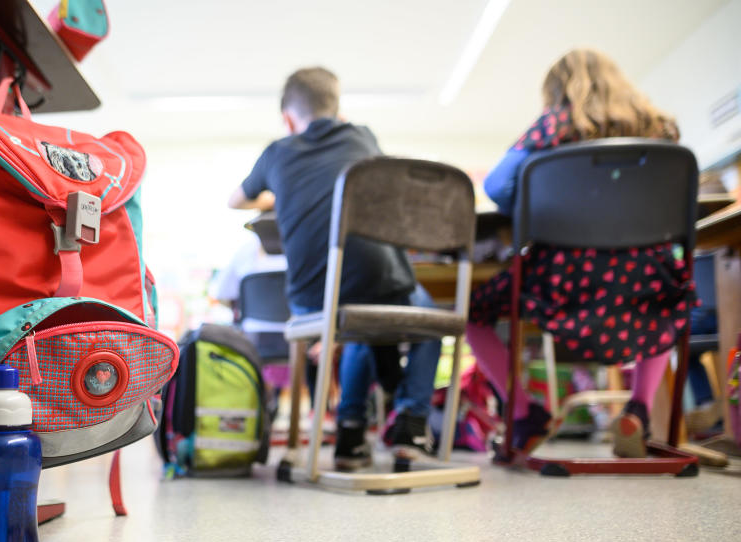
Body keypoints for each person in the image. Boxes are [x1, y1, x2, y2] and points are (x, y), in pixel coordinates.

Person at [466, 49, 694, 460]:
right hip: (647, 272)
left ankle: (523, 415)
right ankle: (639, 409)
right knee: (669, 295)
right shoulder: (660, 127)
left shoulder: (553, 125)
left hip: (564, 277)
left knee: (472, 314)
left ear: (558, 90)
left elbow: (498, 186)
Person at [229, 67, 442, 470]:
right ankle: (410, 423)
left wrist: (277, 200)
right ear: (338, 110)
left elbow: (234, 201)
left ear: (288, 119)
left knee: (355, 317)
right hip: (381, 283)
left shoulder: (277, 151)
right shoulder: (362, 137)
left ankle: (350, 430)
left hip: (312, 298)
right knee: (423, 319)